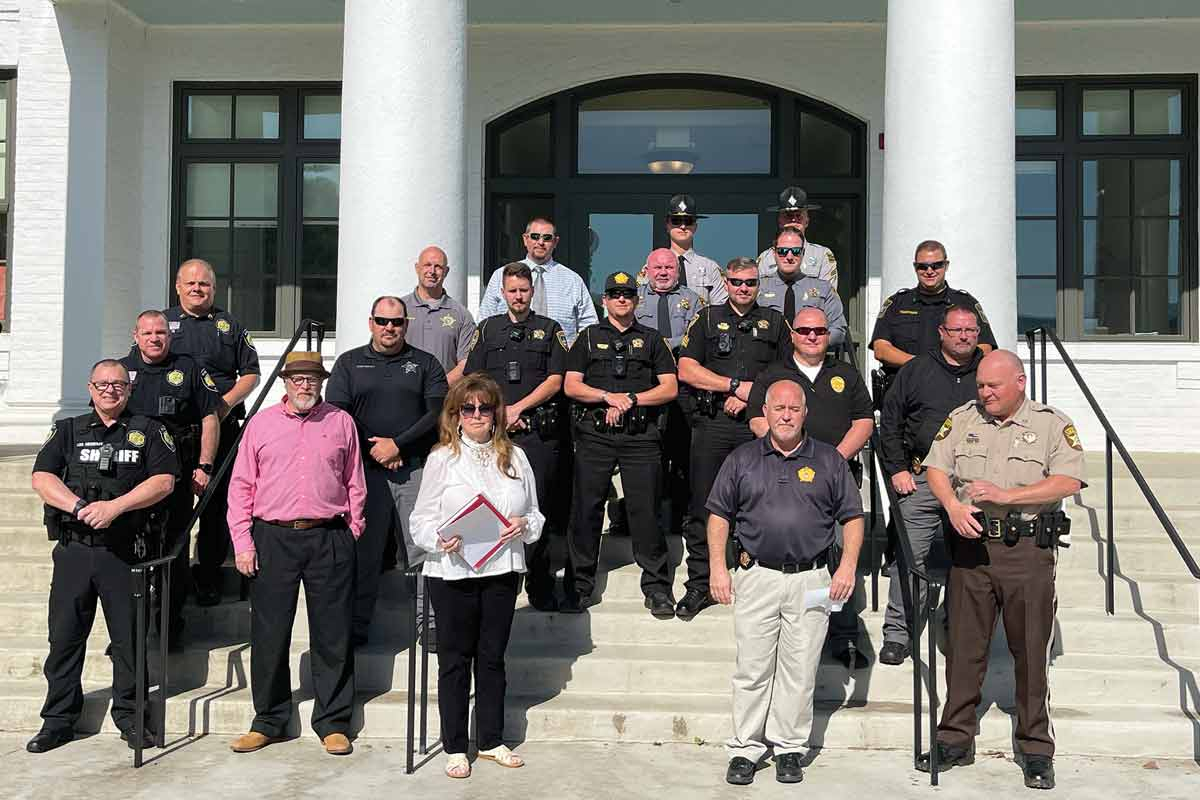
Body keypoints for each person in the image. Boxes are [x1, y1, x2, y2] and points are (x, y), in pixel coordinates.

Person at [917, 350, 1085, 791]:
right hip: (971, 549)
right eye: (980, 386)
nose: (985, 393)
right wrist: (951, 504)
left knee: (1030, 652)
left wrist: (1009, 497)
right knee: (963, 648)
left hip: (1026, 551)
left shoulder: (1051, 423)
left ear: (1020, 382)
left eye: (994, 386)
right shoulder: (964, 418)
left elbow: (1069, 481)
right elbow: (936, 466)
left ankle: (1035, 748)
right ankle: (955, 738)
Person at [707, 379, 864, 785]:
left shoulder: (829, 460)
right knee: (752, 667)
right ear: (766, 413)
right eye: (779, 408)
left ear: (805, 413)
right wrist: (717, 569)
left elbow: (852, 517)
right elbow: (719, 516)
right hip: (756, 576)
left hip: (811, 579)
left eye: (794, 408)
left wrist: (846, 567)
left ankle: (790, 747)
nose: (787, 415)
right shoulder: (742, 459)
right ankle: (745, 748)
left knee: (800, 667)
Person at [26, 360, 178, 754]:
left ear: (129, 389)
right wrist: (78, 507)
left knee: (129, 643)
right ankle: (58, 721)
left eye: (118, 384)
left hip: (123, 553)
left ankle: (131, 719)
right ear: (90, 387)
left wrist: (117, 507)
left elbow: (164, 481)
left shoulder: (149, 430)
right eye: (103, 384)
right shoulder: (68, 429)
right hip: (75, 551)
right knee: (64, 640)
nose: (110, 390)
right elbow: (42, 477)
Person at [225, 351, 366, 757]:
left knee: (333, 633)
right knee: (269, 633)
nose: (305, 385)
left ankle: (334, 722)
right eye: (297, 378)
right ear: (285, 382)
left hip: (329, 536)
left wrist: (353, 528)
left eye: (312, 379)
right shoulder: (261, 425)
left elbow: (355, 480)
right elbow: (241, 487)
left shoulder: (340, 422)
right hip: (273, 538)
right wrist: (243, 542)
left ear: (321, 382)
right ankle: (268, 719)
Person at [409, 374, 544, 779]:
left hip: (501, 567)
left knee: (492, 658)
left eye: (485, 408)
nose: (477, 415)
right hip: (452, 571)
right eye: (468, 408)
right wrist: (438, 538)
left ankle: (490, 740)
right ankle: (454, 745)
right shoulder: (441, 458)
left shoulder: (517, 457)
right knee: (454, 659)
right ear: (456, 414)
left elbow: (536, 515)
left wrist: (523, 525)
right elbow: (420, 520)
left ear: (497, 413)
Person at [746, 307, 874, 667]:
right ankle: (796, 638)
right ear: (793, 334)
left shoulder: (845, 373)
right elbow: (757, 418)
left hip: (836, 478)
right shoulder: (774, 375)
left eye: (819, 331)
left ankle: (843, 635)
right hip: (783, 478)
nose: (812, 337)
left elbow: (864, 420)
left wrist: (831, 460)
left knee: (837, 554)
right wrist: (795, 450)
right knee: (799, 558)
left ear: (828, 335)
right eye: (804, 330)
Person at [325, 296, 448, 647]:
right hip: (365, 474)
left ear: (406, 325)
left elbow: (437, 413)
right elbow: (338, 415)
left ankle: (431, 625)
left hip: (415, 471)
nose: (389, 328)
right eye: (382, 321)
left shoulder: (426, 363)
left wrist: (399, 446)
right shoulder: (349, 363)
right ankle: (358, 626)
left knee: (424, 549)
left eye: (396, 322)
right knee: (364, 552)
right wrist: (377, 450)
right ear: (370, 323)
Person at [676, 257, 789, 620]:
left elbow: (787, 373)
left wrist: (750, 399)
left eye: (751, 283)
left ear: (759, 283)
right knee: (704, 506)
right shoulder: (706, 319)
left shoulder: (774, 322)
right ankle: (700, 584)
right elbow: (687, 368)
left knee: (760, 502)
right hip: (712, 423)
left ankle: (754, 579)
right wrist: (735, 387)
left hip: (756, 426)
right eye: (737, 282)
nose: (743, 288)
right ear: (726, 281)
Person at [564, 271, 679, 616]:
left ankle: (657, 587)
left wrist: (629, 399)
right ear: (604, 300)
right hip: (595, 435)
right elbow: (571, 385)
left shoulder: (652, 339)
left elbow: (669, 387)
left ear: (636, 299)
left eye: (628, 294)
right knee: (586, 510)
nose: (621, 299)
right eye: (614, 294)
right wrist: (606, 397)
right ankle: (579, 585)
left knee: (645, 511)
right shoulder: (587, 337)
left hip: (640, 436)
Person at [876, 305, 985, 666]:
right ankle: (898, 633)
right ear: (942, 332)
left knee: (970, 559)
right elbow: (889, 421)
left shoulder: (987, 374)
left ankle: (957, 628)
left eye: (971, 330)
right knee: (909, 557)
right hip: (919, 478)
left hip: (971, 485)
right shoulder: (916, 370)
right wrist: (895, 469)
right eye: (957, 330)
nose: (964, 336)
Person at [463, 262, 569, 611]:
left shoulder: (549, 329)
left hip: (537, 433)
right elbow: (472, 380)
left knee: (538, 508)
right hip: (494, 435)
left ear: (532, 292)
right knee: (493, 505)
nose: (519, 296)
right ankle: (498, 582)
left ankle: (540, 585)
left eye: (524, 290)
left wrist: (518, 409)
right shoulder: (488, 330)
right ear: (503, 293)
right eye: (512, 291)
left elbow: (556, 380)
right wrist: (497, 415)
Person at [120, 309, 221, 650]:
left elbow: (210, 417)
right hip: (131, 477)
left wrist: (205, 465)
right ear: (136, 335)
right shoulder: (121, 372)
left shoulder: (189, 368)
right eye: (147, 333)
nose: (154, 338)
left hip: (176, 474)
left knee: (173, 552)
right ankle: (129, 629)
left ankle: (168, 627)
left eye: (160, 332)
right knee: (128, 553)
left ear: (170, 335)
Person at [165, 258, 261, 606]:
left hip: (221, 428)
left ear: (214, 289)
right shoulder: (163, 324)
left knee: (216, 506)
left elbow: (251, 373)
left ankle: (208, 577)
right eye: (190, 283)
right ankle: (172, 580)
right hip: (173, 432)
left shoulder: (229, 325)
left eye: (204, 284)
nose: (197, 288)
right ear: (178, 287)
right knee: (171, 507)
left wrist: (222, 406)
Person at [635, 247, 704, 536]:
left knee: (685, 455)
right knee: (650, 459)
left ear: (677, 270)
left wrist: (659, 344)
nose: (663, 273)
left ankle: (684, 518)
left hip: (684, 389)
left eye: (669, 268)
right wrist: (662, 345)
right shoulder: (633, 297)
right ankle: (651, 518)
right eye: (657, 268)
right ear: (647, 270)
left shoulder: (693, 300)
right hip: (644, 389)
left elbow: (696, 338)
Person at [870, 239, 997, 396]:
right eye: (922, 266)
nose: (929, 271)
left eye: (936, 265)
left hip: (954, 390)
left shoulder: (965, 303)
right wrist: (923, 365)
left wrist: (948, 367)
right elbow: (881, 349)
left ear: (946, 265)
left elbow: (985, 349)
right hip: (906, 391)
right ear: (915, 267)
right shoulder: (897, 303)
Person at [478, 217, 598, 344]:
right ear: (525, 239)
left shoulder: (573, 280)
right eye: (535, 236)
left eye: (547, 238)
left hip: (560, 359)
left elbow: (589, 327)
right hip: (511, 355)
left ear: (556, 242)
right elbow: (484, 322)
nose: (541, 242)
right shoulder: (501, 275)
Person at [756, 228, 849, 347]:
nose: (789, 256)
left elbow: (838, 330)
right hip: (768, 358)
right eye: (783, 251)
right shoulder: (758, 288)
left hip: (810, 359)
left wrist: (811, 344)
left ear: (803, 253)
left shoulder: (824, 289)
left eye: (795, 251)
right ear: (774, 253)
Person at [401, 245, 476, 384]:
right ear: (417, 268)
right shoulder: (400, 309)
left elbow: (466, 363)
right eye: (427, 265)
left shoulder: (462, 315)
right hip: (403, 394)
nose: (432, 271)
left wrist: (437, 386)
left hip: (443, 398)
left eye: (438, 267)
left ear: (446, 271)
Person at [756, 187, 838, 287]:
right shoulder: (765, 258)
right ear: (780, 221)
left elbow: (828, 296)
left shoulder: (822, 256)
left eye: (799, 216)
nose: (793, 220)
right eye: (788, 216)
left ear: (807, 221)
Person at [663, 194, 728, 305]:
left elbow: (721, 309)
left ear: (695, 227)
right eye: (676, 221)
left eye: (688, 221)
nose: (683, 226)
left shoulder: (710, 268)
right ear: (667, 226)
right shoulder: (653, 267)